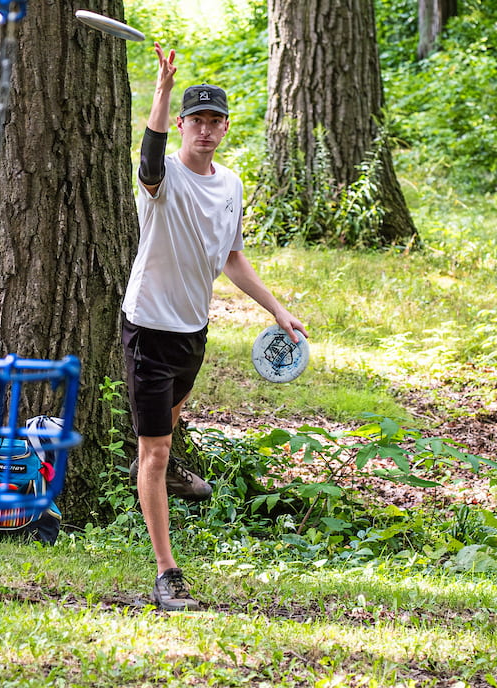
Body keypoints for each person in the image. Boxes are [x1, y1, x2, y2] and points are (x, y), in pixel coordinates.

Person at [122, 43, 307, 612]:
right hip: (150, 329)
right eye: (194, 119)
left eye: (213, 120)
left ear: (225, 127)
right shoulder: (165, 178)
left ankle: (160, 463)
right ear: (181, 124)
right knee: (154, 451)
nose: (204, 129)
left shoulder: (231, 184)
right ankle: (166, 573)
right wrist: (159, 89)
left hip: (192, 333)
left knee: (166, 434)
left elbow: (232, 256)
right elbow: (149, 159)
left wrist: (275, 309)